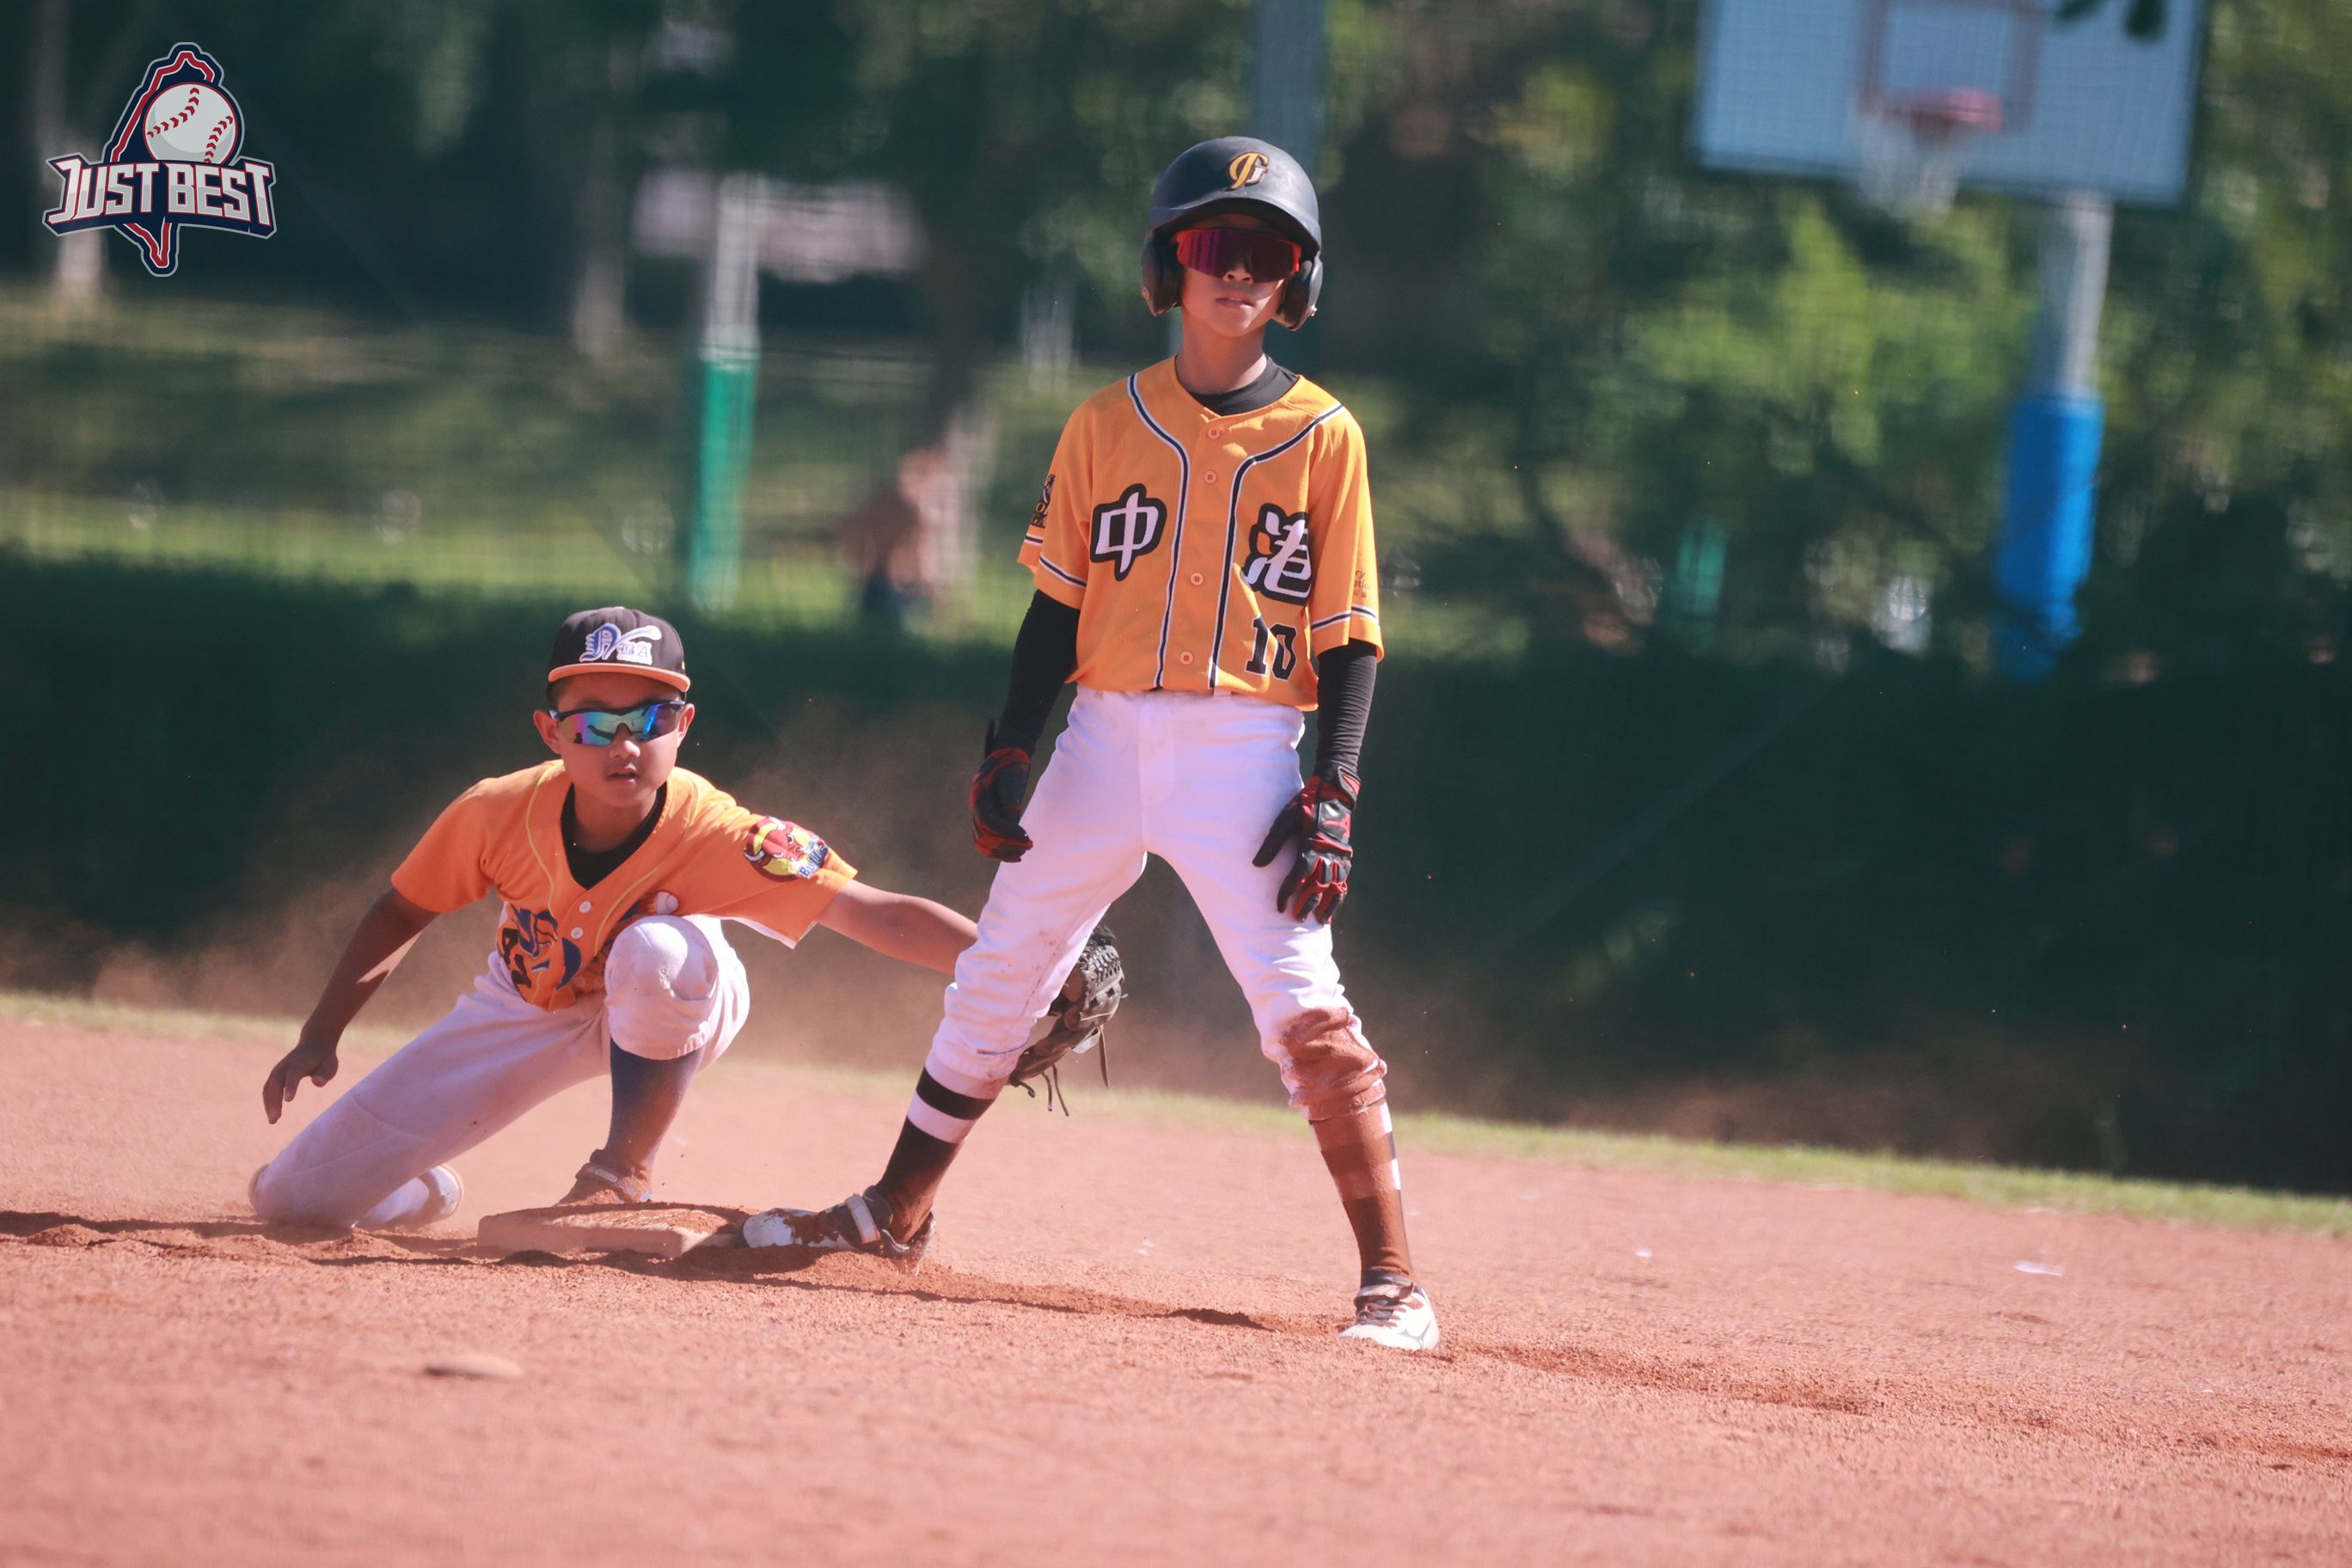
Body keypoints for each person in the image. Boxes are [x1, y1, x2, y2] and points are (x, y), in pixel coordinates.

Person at [742, 138, 1437, 1351]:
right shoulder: (1105, 422)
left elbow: (1350, 634)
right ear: (1170, 266)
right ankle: (897, 1213)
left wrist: (1335, 786)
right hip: (1103, 740)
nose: (1238, 270)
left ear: (1299, 281)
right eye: (1214, 244)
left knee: (1303, 1009)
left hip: (1244, 747)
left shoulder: (1327, 436)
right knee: (1001, 975)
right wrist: (1013, 746)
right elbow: (1055, 610)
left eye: (1267, 253)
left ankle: (1395, 1284)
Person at [250, 605, 989, 1230]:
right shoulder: (496, 813)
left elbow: (881, 915)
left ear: (685, 724)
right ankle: (420, 1191)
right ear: (551, 732)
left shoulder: (719, 834)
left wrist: (1021, 977)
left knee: (656, 949)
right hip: (525, 1004)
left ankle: (621, 1173)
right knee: (289, 1201)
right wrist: (321, 1032)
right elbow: (402, 909)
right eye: (595, 724)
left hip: (679, 996)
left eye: (650, 718)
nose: (625, 744)